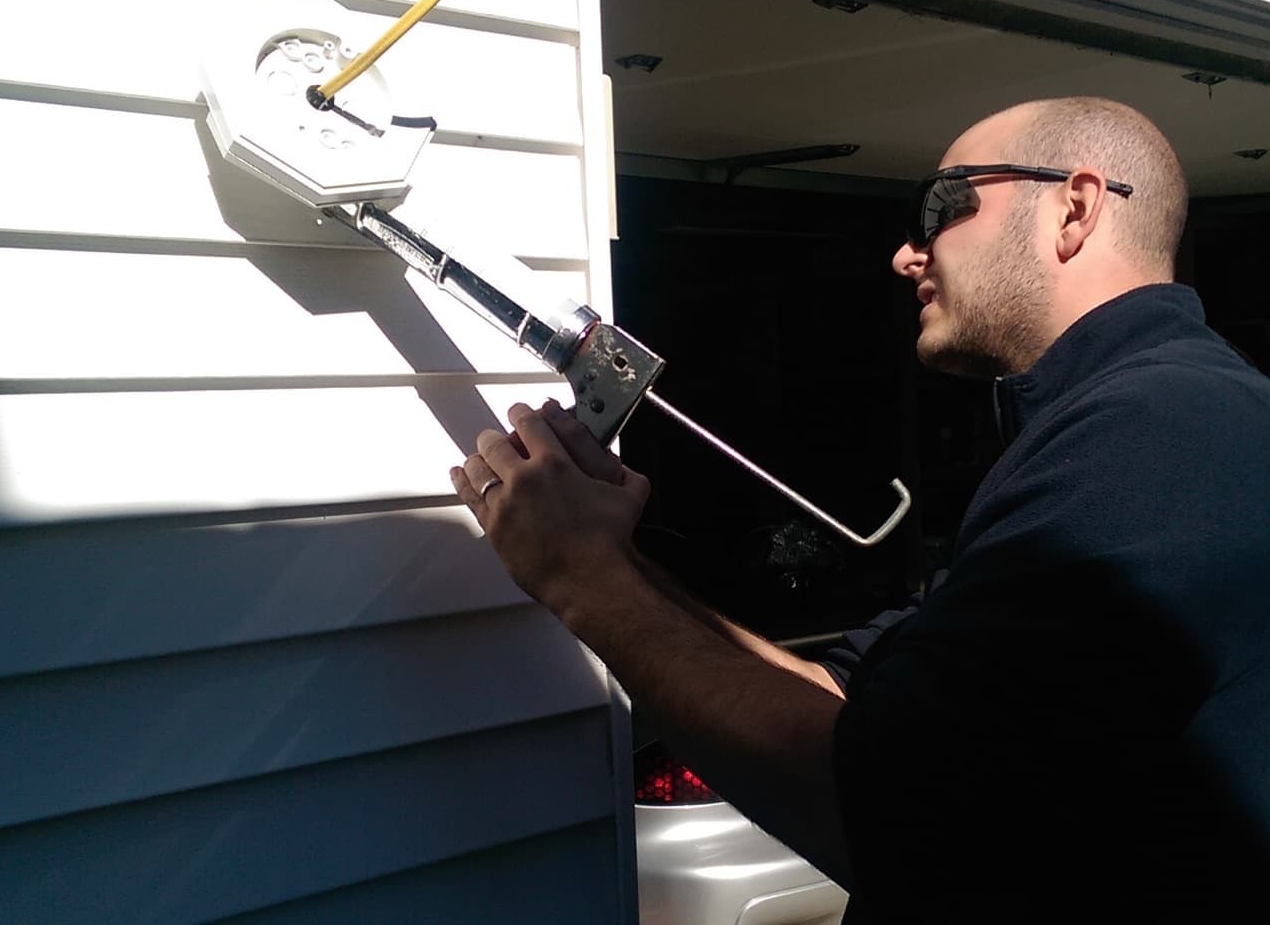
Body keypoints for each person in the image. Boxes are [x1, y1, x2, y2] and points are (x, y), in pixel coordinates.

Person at [450, 97, 1270, 922]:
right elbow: (845, 699)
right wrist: (619, 563)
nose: (907, 253)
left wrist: (581, 580)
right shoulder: (1111, 426)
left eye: (941, 206)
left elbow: (898, 812)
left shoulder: (1162, 429)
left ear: (1076, 207)